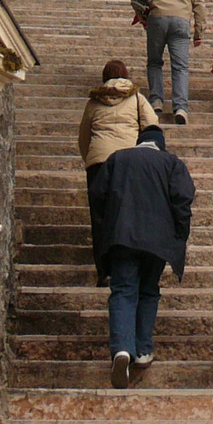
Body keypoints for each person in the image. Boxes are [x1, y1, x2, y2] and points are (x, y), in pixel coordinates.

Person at [88, 124, 195, 387]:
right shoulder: (171, 163)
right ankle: (144, 349)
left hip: (122, 236)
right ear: (160, 144)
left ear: (139, 141)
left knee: (123, 290)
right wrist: (180, 236)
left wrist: (109, 226)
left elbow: (97, 196)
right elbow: (182, 200)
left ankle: (122, 349)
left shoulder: (117, 158)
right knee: (148, 291)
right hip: (158, 241)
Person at [77, 59, 160, 280]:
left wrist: (90, 160)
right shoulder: (135, 98)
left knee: (100, 217)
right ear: (126, 75)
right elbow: (153, 125)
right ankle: (127, 266)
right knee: (126, 213)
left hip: (98, 162)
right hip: (128, 161)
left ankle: (104, 271)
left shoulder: (93, 102)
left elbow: (84, 136)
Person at [137, 0, 206, 124]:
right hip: (181, 21)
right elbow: (199, 6)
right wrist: (198, 32)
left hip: (157, 18)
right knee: (180, 67)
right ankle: (181, 108)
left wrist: (142, 17)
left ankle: (157, 100)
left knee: (154, 62)